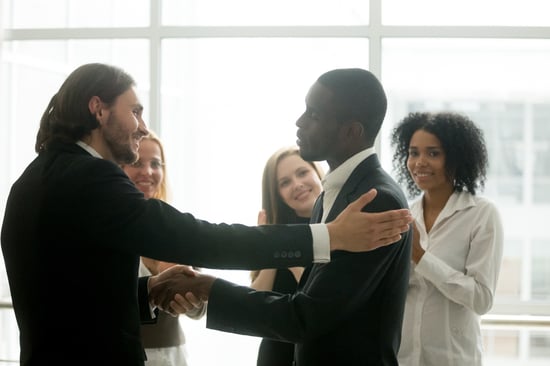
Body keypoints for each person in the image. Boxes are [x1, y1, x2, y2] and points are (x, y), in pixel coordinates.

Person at [0, 62, 412, 366]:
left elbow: (71, 294)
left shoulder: (40, 176)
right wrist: (329, 237)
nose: (143, 127)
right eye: (136, 111)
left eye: (313, 113)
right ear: (98, 109)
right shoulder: (89, 177)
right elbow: (193, 238)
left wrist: (152, 293)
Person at [152, 68, 413, 365]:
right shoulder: (332, 193)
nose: (299, 122)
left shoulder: (375, 201)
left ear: (351, 132)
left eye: (313, 115)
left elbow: (304, 317)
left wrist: (207, 287)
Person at [390, 111, 504, 366]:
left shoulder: (481, 215)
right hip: (403, 357)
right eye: (413, 152)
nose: (419, 162)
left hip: (453, 358)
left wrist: (419, 256)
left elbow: (481, 299)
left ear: (456, 158)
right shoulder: (405, 215)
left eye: (433, 153)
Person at [122, 131, 206, 366]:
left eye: (155, 164)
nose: (147, 171)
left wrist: (186, 286)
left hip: (172, 357)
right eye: (137, 162)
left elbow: (200, 310)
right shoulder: (109, 227)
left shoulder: (174, 228)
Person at [250, 146, 324, 366]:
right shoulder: (275, 232)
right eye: (285, 182)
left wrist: (286, 256)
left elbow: (322, 298)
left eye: (302, 173)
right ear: (278, 195)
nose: (297, 184)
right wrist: (270, 243)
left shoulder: (339, 230)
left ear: (317, 172)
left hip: (321, 352)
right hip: (276, 353)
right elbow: (255, 305)